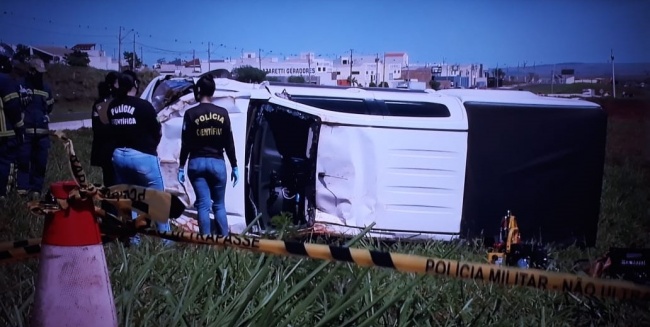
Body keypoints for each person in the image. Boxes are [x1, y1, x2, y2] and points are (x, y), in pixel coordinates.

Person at [107, 70, 171, 242]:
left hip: (119, 155)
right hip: (143, 156)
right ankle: (166, 239)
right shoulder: (144, 106)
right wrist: (152, 146)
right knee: (158, 198)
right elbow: (157, 129)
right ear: (135, 85)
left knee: (130, 198)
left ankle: (133, 239)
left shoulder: (112, 106)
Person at [177, 74, 238, 236]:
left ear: (198, 90)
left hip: (196, 162)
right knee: (219, 205)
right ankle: (225, 241)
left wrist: (181, 166)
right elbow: (229, 142)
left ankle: (205, 242)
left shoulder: (190, 113)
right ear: (213, 91)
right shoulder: (223, 113)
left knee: (203, 204)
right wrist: (235, 166)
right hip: (217, 162)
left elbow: (186, 143)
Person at [15, 56, 54, 200]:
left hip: (42, 133)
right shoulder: (20, 86)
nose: (40, 75)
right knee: (24, 160)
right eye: (38, 72)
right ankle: (22, 190)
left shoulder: (46, 88)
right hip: (26, 132)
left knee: (40, 162)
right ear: (31, 71)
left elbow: (49, 107)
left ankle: (36, 189)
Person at [0, 45, 25, 201]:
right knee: (5, 164)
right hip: (5, 132)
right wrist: (20, 127)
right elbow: (12, 106)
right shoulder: (5, 80)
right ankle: (3, 196)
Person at [90, 71, 119, 188]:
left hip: (110, 149)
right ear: (111, 85)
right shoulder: (101, 104)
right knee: (111, 182)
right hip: (109, 149)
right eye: (118, 83)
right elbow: (98, 128)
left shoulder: (100, 103)